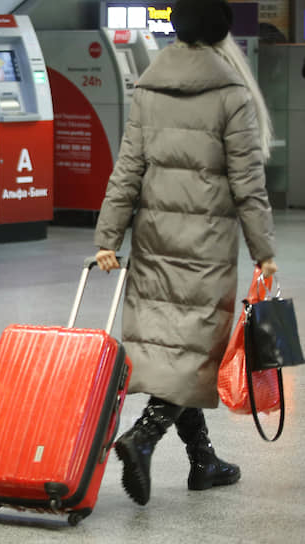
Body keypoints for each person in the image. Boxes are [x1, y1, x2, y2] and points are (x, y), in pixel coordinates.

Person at [93, 0, 278, 507]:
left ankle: (204, 462)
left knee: (178, 351)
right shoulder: (232, 94)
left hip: (154, 240)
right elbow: (247, 185)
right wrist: (264, 249)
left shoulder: (149, 86)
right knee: (196, 350)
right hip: (206, 248)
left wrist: (108, 236)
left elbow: (127, 168)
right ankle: (145, 436)